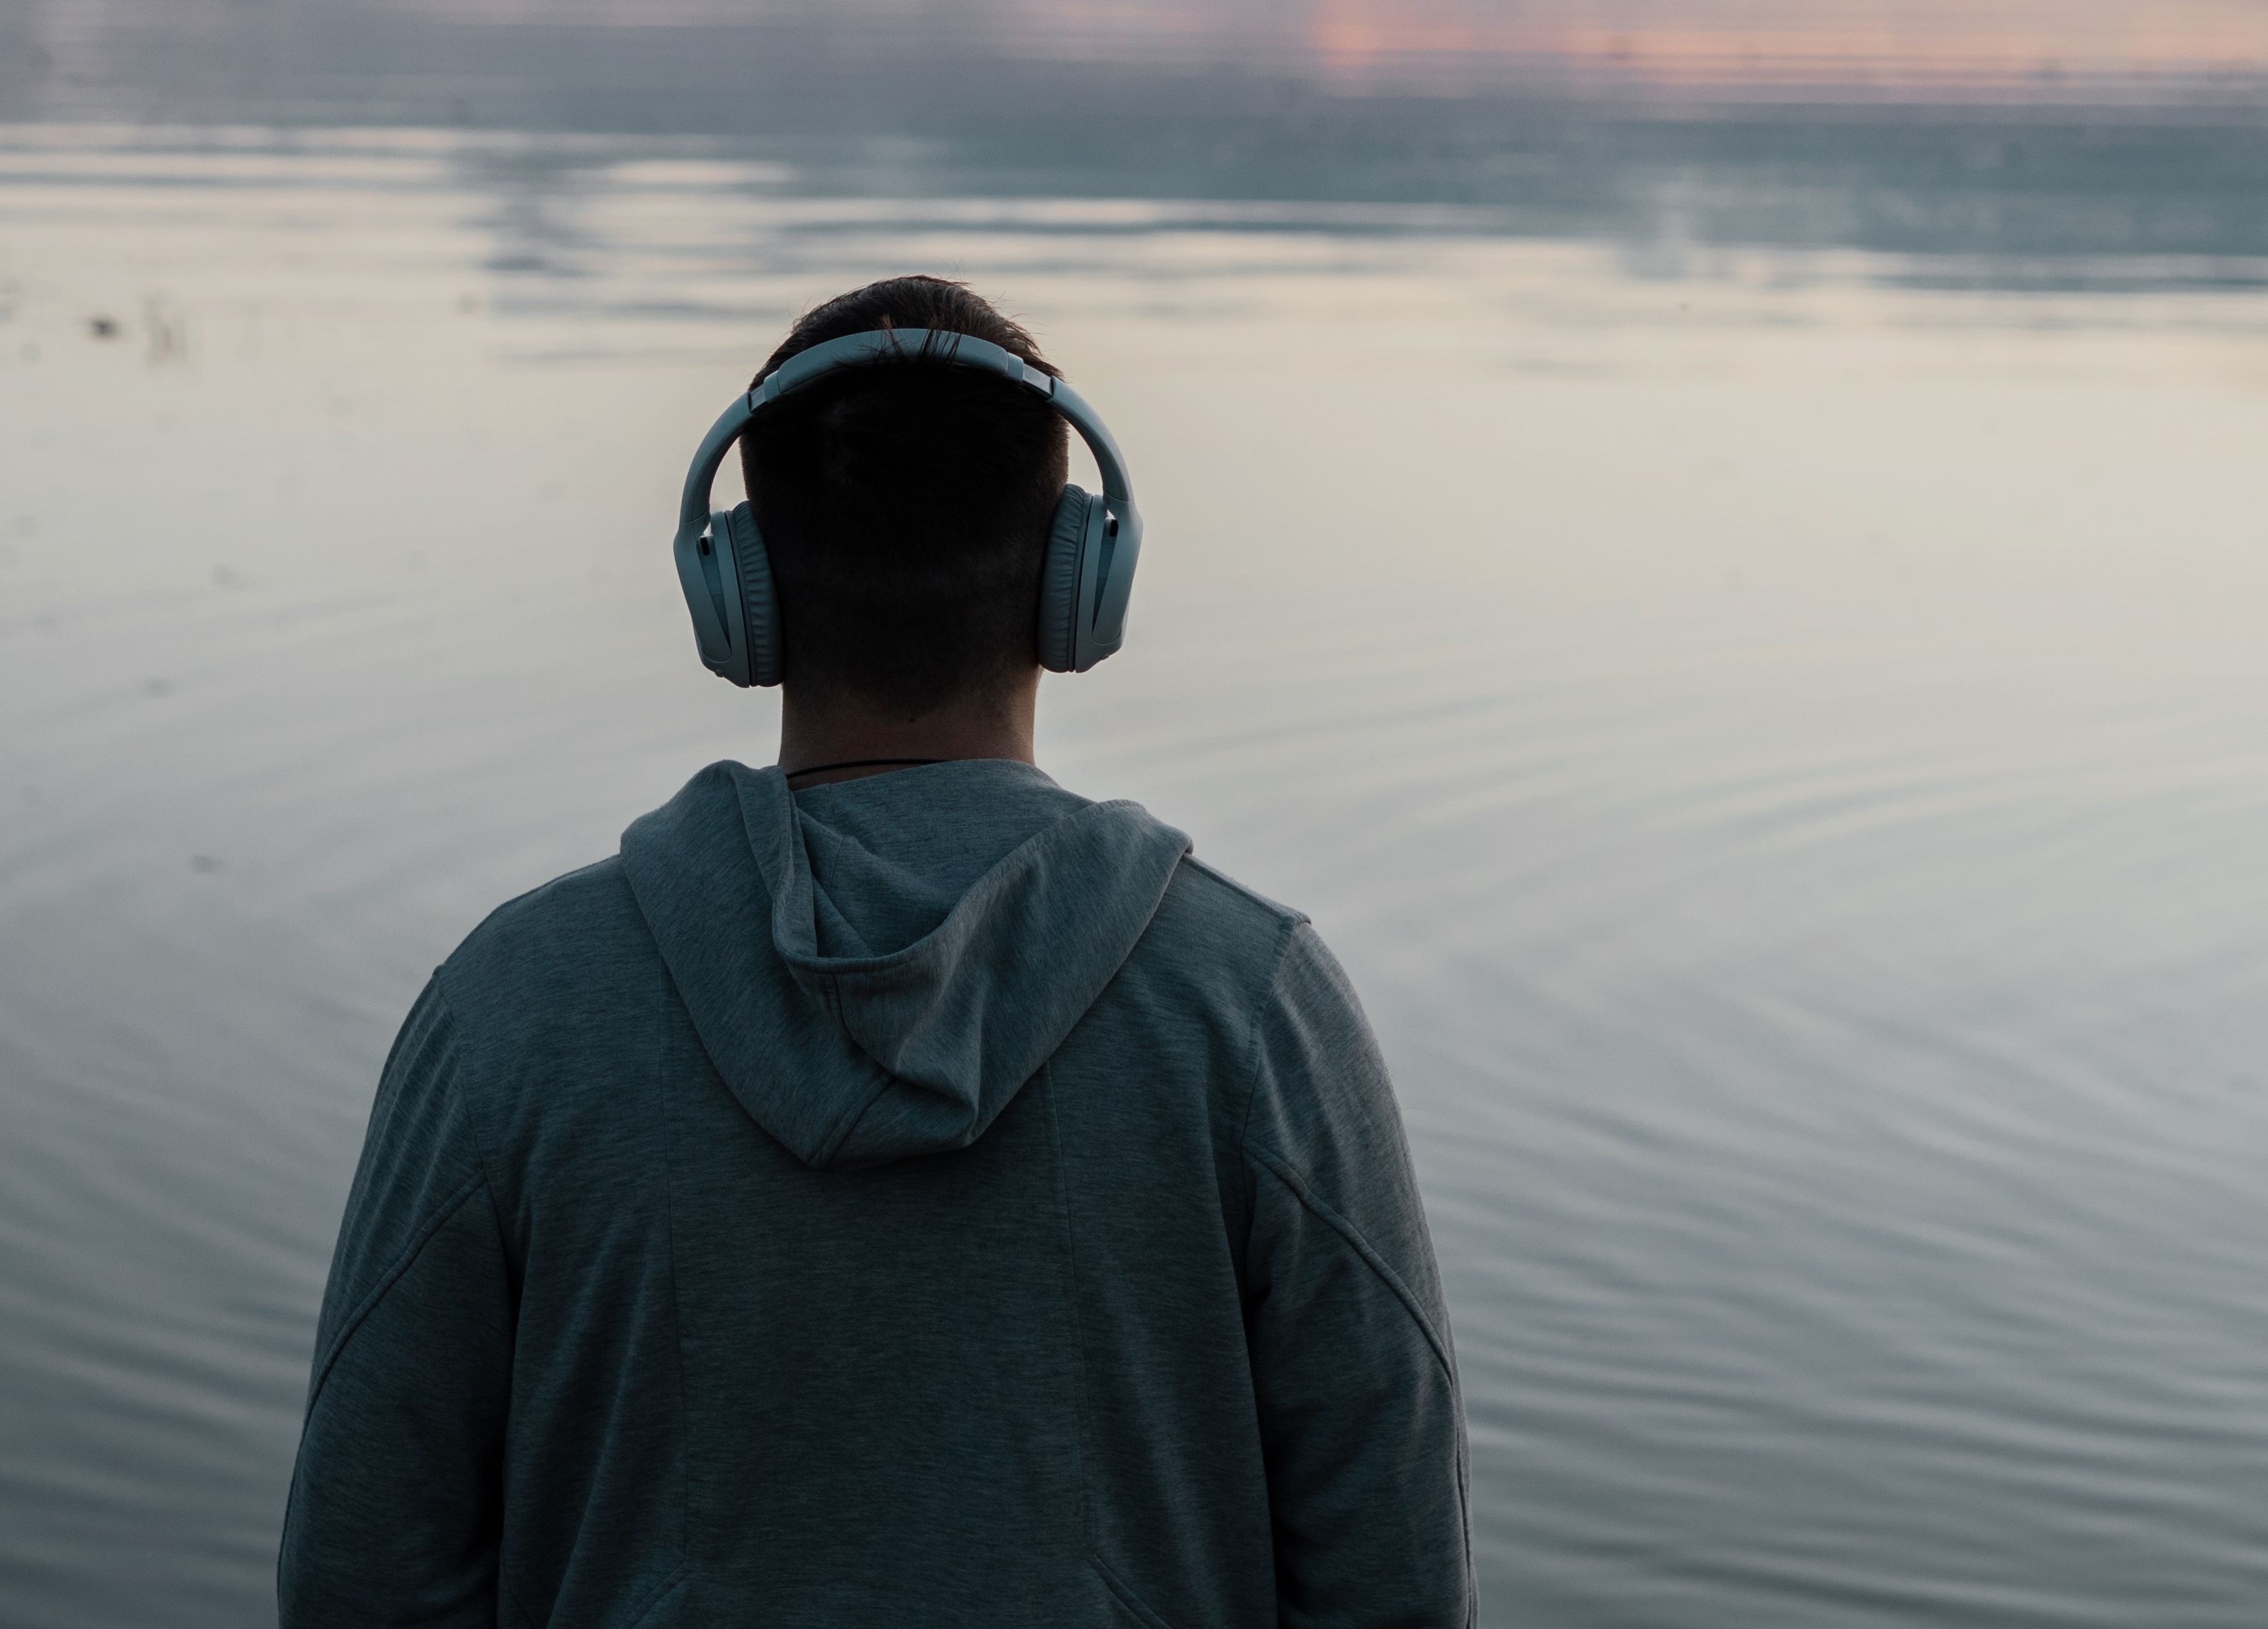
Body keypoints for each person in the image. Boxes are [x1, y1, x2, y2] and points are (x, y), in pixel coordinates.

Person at [277, 274, 1470, 1628]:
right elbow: (1396, 1576)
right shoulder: (1253, 1004)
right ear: (1080, 582)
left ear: (741, 592)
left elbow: (361, 1571)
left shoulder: (514, 1006)